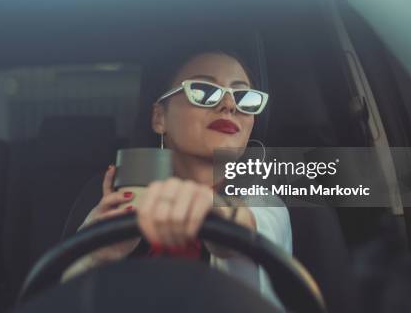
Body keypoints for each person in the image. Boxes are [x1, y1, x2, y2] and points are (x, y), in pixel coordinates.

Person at [63, 48, 292, 310]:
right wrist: (95, 257)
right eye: (204, 91)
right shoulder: (107, 203)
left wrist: (208, 210)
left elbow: (244, 229)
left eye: (244, 97)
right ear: (160, 118)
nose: (230, 105)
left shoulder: (264, 203)